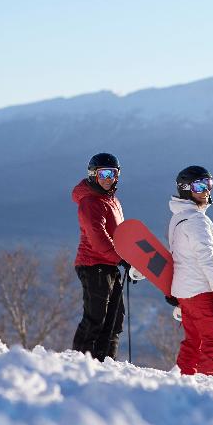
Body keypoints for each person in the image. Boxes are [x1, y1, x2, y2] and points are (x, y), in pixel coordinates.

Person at [166, 165, 213, 377]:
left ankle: (185, 379)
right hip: (200, 291)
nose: (206, 190)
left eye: (209, 184)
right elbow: (207, 258)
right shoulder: (197, 221)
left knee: (193, 340)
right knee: (212, 340)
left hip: (184, 292)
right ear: (185, 189)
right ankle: (211, 385)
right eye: (199, 186)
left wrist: (172, 290)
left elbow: (177, 257)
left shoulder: (178, 217)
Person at [71, 152, 127, 361]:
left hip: (110, 263)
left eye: (112, 174)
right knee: (96, 317)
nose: (108, 179)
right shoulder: (90, 201)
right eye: (103, 174)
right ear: (93, 174)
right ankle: (80, 361)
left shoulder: (111, 200)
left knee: (115, 319)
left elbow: (120, 235)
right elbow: (97, 237)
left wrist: (131, 259)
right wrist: (120, 258)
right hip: (93, 264)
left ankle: (106, 362)